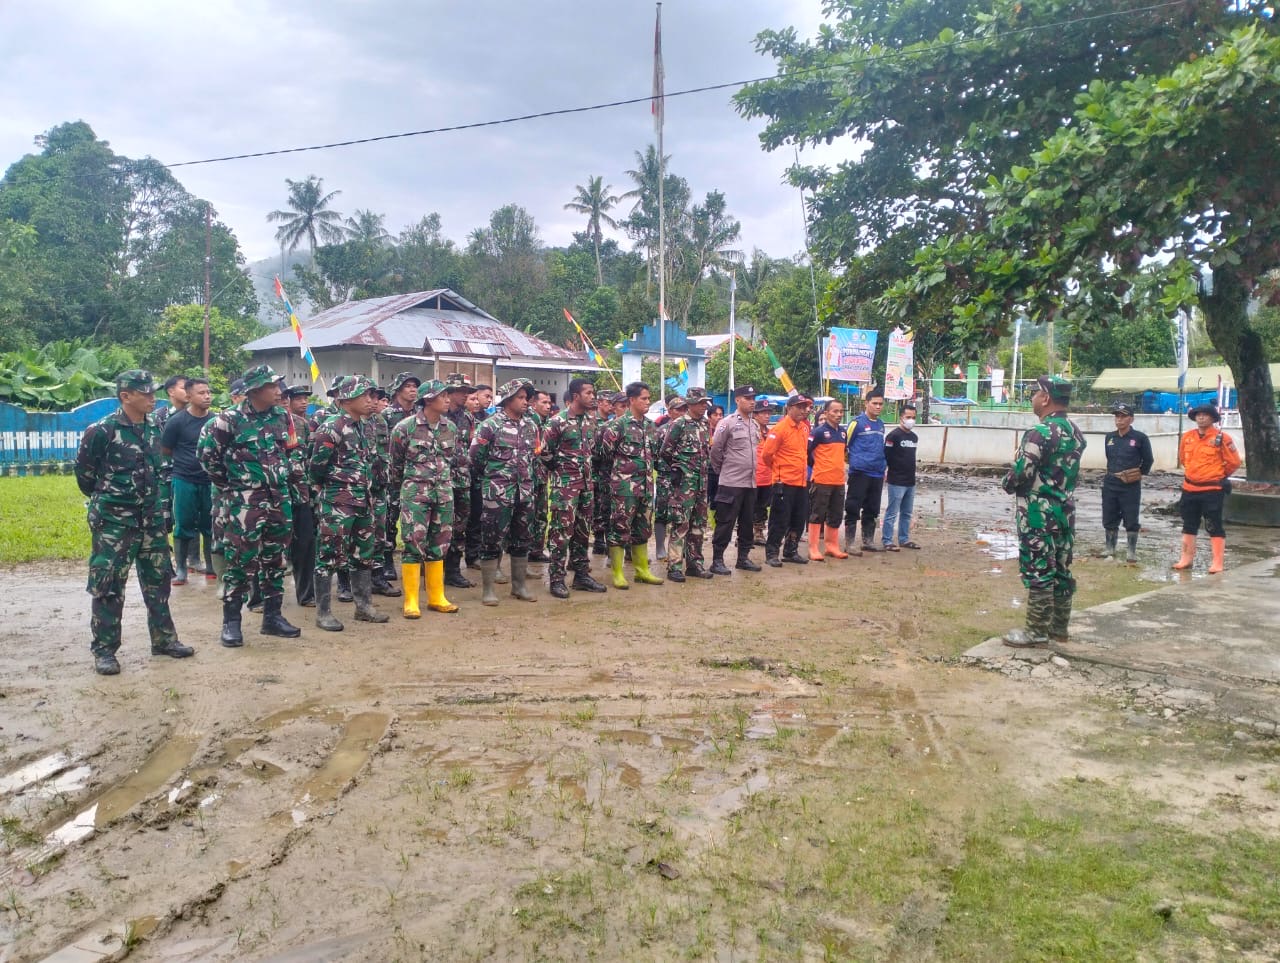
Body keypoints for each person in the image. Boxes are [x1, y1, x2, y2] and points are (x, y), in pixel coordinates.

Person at [75, 370, 193, 675]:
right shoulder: (101, 430)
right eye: (146, 393)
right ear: (126, 396)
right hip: (115, 522)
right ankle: (104, 650)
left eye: (154, 392)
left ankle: (164, 640)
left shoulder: (156, 427)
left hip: (151, 519)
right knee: (109, 585)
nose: (153, 397)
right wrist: (113, 503)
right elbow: (86, 477)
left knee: (158, 582)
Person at [197, 364, 301, 646]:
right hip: (244, 502)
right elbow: (209, 459)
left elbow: (291, 452)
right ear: (255, 390)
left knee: (275, 559)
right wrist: (235, 486)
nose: (279, 391)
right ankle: (232, 622)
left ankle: (273, 617)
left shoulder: (282, 416)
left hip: (279, 499)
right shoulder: (228, 420)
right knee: (241, 560)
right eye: (272, 386)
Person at [1000, 376, 1086, 647]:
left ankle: (1036, 631)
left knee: (1038, 569)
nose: (1033, 397)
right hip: (1064, 512)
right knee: (1060, 567)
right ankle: (1058, 628)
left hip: (1037, 513)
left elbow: (1022, 472)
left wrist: (1007, 482)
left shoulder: (1042, 432)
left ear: (1046, 398)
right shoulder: (1074, 431)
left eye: (1036, 392)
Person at [310, 375, 389, 629]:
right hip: (337, 502)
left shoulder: (364, 426)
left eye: (371, 395)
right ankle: (323, 613)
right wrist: (328, 489)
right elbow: (316, 467)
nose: (370, 400)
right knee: (329, 555)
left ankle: (363, 607)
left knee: (363, 554)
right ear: (345, 398)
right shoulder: (331, 427)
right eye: (364, 395)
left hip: (363, 500)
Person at [390, 380, 461, 617]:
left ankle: (436, 596)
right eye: (443, 396)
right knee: (413, 543)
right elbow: (396, 464)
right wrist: (408, 488)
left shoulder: (450, 427)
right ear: (429, 399)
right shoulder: (405, 427)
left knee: (439, 543)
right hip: (415, 494)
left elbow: (453, 460)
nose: (448, 400)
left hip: (443, 493)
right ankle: (411, 600)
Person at [470, 380, 540, 605]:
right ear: (508, 399)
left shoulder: (531, 425)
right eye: (520, 397)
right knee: (491, 539)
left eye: (526, 397)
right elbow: (476, 457)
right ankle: (488, 590)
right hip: (498, 492)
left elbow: (534, 458)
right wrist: (495, 479)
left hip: (525, 493)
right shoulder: (491, 425)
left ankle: (518, 586)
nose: (525, 401)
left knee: (522, 539)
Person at [541, 378, 609, 598]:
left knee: (582, 532)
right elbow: (544, 452)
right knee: (561, 533)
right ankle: (557, 579)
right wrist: (560, 468)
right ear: (576, 396)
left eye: (593, 392)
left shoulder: (591, 421)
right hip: (565, 488)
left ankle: (581, 575)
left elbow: (594, 450)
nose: (593, 396)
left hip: (587, 486)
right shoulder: (557, 422)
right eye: (588, 393)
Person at [599, 381, 664, 589]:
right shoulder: (617, 425)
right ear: (632, 400)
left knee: (643, 528)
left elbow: (654, 454)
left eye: (648, 398)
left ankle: (642, 570)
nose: (647, 402)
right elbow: (603, 455)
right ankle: (617, 573)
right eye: (644, 398)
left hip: (645, 486)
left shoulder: (649, 426)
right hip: (624, 488)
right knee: (619, 528)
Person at [1173, 403, 1241, 575]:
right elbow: (1183, 458)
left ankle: (1217, 562)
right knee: (1189, 524)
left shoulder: (1221, 438)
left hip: (1212, 489)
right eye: (1198, 415)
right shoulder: (1187, 437)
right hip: (1190, 488)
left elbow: (1234, 462)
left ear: (1212, 418)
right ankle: (1186, 559)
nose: (1201, 417)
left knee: (1213, 525)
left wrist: (1217, 474)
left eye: (1205, 415)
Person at [160, 376, 215, 585]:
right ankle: (182, 568)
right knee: (183, 524)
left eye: (208, 392)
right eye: (201, 393)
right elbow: (166, 449)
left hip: (209, 480)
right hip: (184, 479)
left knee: (209, 523)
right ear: (189, 396)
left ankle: (211, 565)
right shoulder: (177, 421)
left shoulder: (216, 421)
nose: (207, 396)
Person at [661, 387, 715, 582]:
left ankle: (695, 564)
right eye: (701, 403)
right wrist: (677, 469)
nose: (704, 406)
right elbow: (665, 451)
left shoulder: (704, 424)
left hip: (701, 484)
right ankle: (674, 566)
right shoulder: (679, 424)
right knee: (680, 524)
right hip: (684, 484)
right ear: (690, 403)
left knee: (698, 525)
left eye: (705, 403)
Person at [709, 385, 763, 575]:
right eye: (747, 398)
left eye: (753, 398)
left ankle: (743, 558)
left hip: (750, 482)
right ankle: (717, 560)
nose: (752, 401)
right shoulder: (728, 423)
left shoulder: (754, 424)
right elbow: (715, 451)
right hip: (731, 483)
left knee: (747, 522)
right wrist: (721, 471)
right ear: (737, 400)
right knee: (725, 522)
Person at [762, 394, 815, 566]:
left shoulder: (804, 428)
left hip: (801, 481)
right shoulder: (779, 429)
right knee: (779, 519)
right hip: (783, 482)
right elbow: (767, 455)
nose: (803, 410)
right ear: (789, 408)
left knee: (799, 518)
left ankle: (790, 551)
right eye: (799, 407)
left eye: (805, 407)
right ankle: (772, 553)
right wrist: (778, 470)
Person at [1101, 402, 1155, 563]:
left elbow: (1148, 460)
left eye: (1123, 416)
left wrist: (1138, 473)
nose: (1119, 420)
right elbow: (1108, 457)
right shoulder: (1110, 437)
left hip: (1130, 484)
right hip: (1111, 481)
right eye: (1117, 416)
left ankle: (1131, 551)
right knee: (1109, 515)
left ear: (1131, 419)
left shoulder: (1140, 438)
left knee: (1131, 517)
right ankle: (1110, 547)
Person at [380, 372, 421, 582]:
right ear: (397, 389)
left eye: (415, 386)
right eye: (408, 386)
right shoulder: (386, 415)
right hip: (391, 476)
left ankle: (418, 558)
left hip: (415, 476)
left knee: (415, 519)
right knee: (390, 519)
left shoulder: (420, 414)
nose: (412, 389)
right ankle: (387, 560)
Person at [443, 374, 478, 589]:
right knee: (436, 528)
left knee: (459, 527)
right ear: (449, 392)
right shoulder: (437, 415)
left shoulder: (468, 418)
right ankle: (431, 570)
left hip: (462, 480)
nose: (466, 394)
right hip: (440, 479)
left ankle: (453, 571)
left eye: (468, 391)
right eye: (462, 391)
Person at [282, 385, 316, 607]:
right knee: (266, 547)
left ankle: (305, 594)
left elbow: (312, 460)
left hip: (300, 494)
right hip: (270, 496)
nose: (284, 400)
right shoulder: (253, 425)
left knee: (305, 544)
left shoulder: (303, 426)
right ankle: (257, 599)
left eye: (286, 397)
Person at [844, 388, 887, 555]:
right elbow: (844, 445)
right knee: (853, 506)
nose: (877, 407)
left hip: (877, 473)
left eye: (880, 404)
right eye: (874, 403)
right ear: (866, 404)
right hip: (860, 472)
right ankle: (850, 543)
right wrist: (851, 462)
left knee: (872, 508)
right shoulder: (857, 423)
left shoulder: (881, 424)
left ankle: (868, 540)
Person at [808, 399, 849, 560]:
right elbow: (807, 453)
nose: (839, 414)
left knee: (836, 514)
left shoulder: (843, 432)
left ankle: (832, 546)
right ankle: (813, 548)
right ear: (826, 413)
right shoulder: (818, 432)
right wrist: (818, 466)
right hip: (821, 479)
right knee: (817, 514)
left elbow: (843, 453)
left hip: (839, 481)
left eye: (841, 411)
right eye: (835, 411)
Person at [653, 395, 688, 560]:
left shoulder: (691, 429)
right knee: (662, 513)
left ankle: (681, 549)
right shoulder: (661, 431)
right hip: (665, 478)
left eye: (684, 409)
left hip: (685, 480)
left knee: (683, 514)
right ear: (669, 411)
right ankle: (660, 547)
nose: (682, 412)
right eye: (678, 409)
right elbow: (654, 455)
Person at [882, 403, 921, 551]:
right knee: (892, 512)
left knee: (906, 512)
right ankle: (887, 540)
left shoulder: (914, 437)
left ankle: (904, 539)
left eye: (913, 417)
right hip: (896, 480)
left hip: (910, 481)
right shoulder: (893, 436)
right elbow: (887, 456)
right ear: (901, 418)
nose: (911, 420)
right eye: (908, 417)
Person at [464, 383, 494, 571]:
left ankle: (473, 554)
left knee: (477, 516)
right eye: (473, 398)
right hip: (458, 475)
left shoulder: (488, 420)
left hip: (478, 476)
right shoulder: (458, 420)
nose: (480, 402)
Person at [591, 391, 623, 556]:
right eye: (608, 402)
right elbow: (595, 451)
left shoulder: (615, 423)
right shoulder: (594, 422)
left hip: (614, 474)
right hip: (599, 471)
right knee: (599, 507)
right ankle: (598, 539)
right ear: (600, 402)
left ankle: (610, 542)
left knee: (610, 508)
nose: (611, 405)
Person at [528, 389, 554, 563]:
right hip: (529, 476)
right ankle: (527, 550)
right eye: (544, 402)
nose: (548, 406)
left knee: (541, 513)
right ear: (533, 403)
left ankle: (536, 549)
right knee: (529, 515)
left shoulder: (544, 422)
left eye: (549, 402)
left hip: (541, 476)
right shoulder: (531, 421)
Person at [751, 399, 774, 548]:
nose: (767, 416)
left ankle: (758, 532)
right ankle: (746, 534)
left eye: (768, 413)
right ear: (755, 415)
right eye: (763, 413)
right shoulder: (750, 430)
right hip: (752, 476)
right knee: (748, 507)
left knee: (762, 507)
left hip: (767, 477)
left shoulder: (771, 433)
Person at [706, 404, 725, 507]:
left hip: (721, 469)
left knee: (718, 500)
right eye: (715, 415)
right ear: (709, 417)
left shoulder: (725, 430)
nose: (719, 417)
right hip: (707, 469)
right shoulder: (704, 430)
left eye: (721, 415)